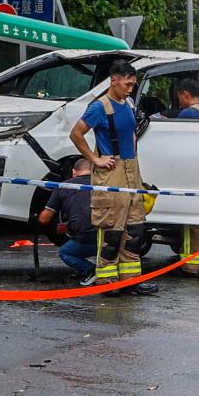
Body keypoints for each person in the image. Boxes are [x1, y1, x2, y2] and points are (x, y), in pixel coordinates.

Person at [69, 59, 156, 294]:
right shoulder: (99, 107)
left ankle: (130, 281)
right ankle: (107, 282)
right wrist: (95, 159)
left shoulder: (126, 103)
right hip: (111, 173)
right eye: (127, 84)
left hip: (132, 170)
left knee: (134, 229)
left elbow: (131, 133)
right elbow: (76, 134)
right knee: (112, 230)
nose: (131, 89)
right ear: (114, 80)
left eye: (133, 85)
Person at [37, 157, 96, 281]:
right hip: (108, 239)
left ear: (74, 172)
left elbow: (44, 219)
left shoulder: (63, 186)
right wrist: (69, 225)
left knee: (65, 252)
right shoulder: (103, 185)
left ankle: (90, 270)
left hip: (86, 240)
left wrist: (36, 215)